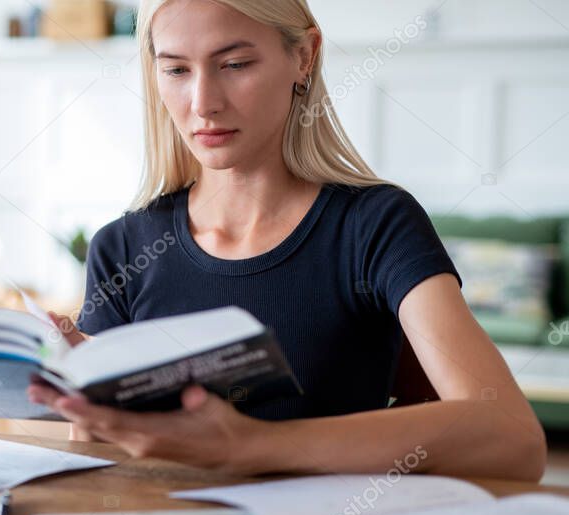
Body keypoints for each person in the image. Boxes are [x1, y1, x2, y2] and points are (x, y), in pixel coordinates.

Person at [28, 0, 546, 481]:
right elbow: (103, 470)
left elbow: (514, 440)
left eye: (234, 64)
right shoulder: (122, 246)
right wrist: (84, 395)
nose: (203, 103)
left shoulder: (376, 225)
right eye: (177, 69)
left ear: (304, 56)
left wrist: (249, 445)